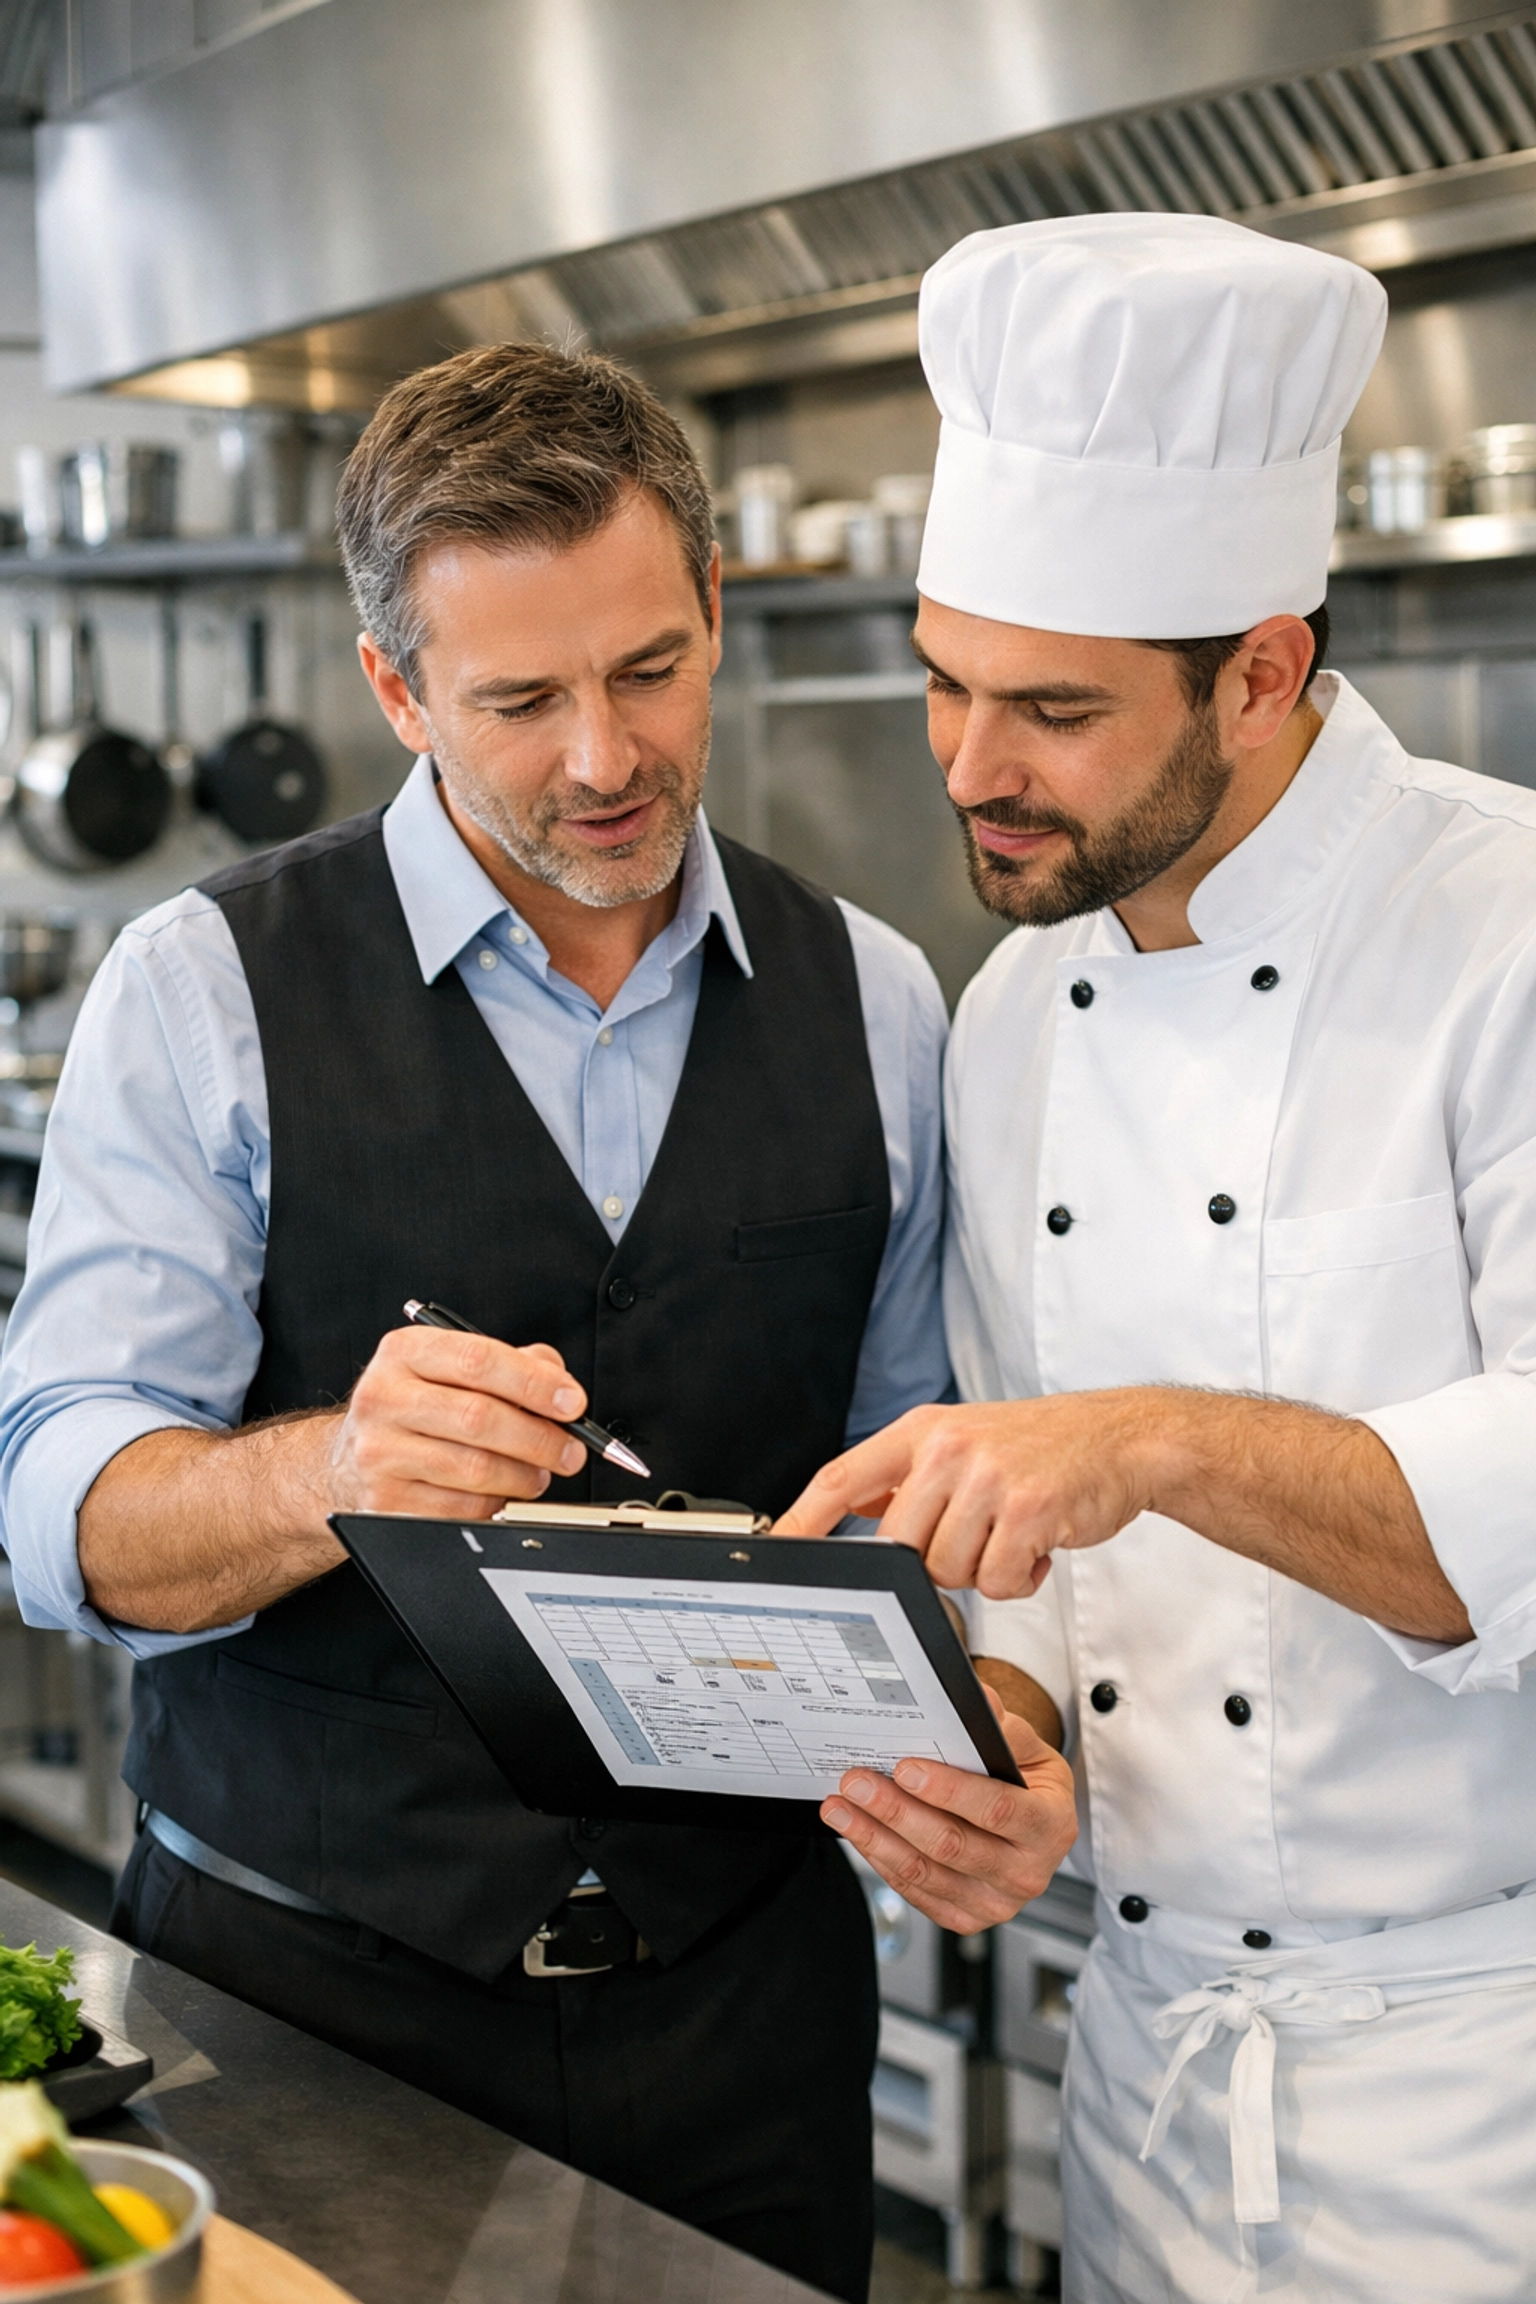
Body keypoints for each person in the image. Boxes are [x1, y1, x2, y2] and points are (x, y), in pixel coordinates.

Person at [0, 343, 1072, 2303]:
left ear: (715, 611)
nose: (603, 757)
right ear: (397, 690)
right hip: (301, 2006)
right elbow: (63, 1520)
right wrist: (328, 1472)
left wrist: (990, 1721)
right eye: (518, 701)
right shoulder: (203, 988)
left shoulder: (880, 999)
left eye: (650, 670)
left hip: (744, 2018)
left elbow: (930, 1494)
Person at [779, 216, 1536, 2301]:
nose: (970, 769)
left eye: (1053, 709)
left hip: (1481, 2085)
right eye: (943, 682)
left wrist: (1158, 1439)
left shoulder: (1506, 935)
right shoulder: (1019, 1010)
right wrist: (1012, 1744)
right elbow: (1044, 1551)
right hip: (1139, 2068)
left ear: (1263, 671)